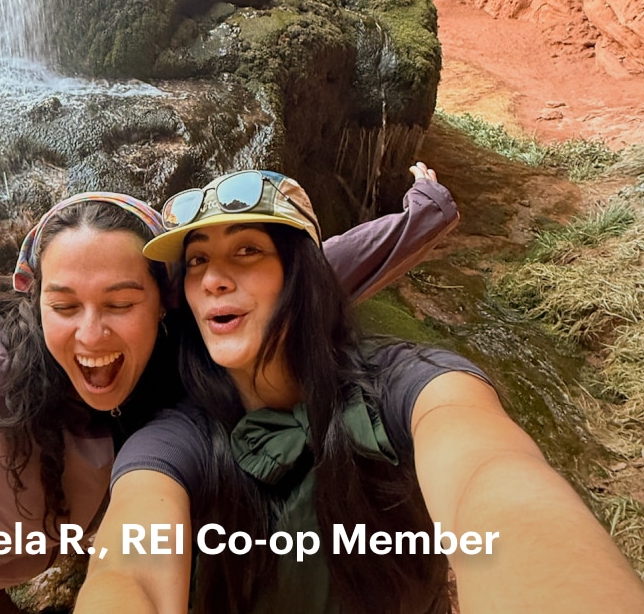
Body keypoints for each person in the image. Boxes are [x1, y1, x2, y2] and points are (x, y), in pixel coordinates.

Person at [0, 166, 454, 613]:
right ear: (32, 300)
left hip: (22, 534)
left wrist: (427, 210)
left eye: (121, 302)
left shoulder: (192, 331)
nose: (93, 335)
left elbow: (313, 276)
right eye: (65, 305)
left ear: (163, 300)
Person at [77, 169, 644, 614]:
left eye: (246, 251)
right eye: (197, 260)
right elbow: (131, 569)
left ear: (302, 275)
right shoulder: (178, 437)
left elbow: (491, 476)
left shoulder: (403, 384)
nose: (214, 278)